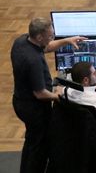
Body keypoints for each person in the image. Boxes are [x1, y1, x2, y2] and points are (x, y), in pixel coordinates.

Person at [11, 17, 86, 173]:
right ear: (39, 37)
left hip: (19, 100)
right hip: (34, 108)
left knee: (32, 142)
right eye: (50, 36)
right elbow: (40, 94)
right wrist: (61, 95)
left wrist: (67, 40)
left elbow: (46, 47)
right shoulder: (33, 61)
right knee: (39, 148)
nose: (52, 38)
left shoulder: (22, 42)